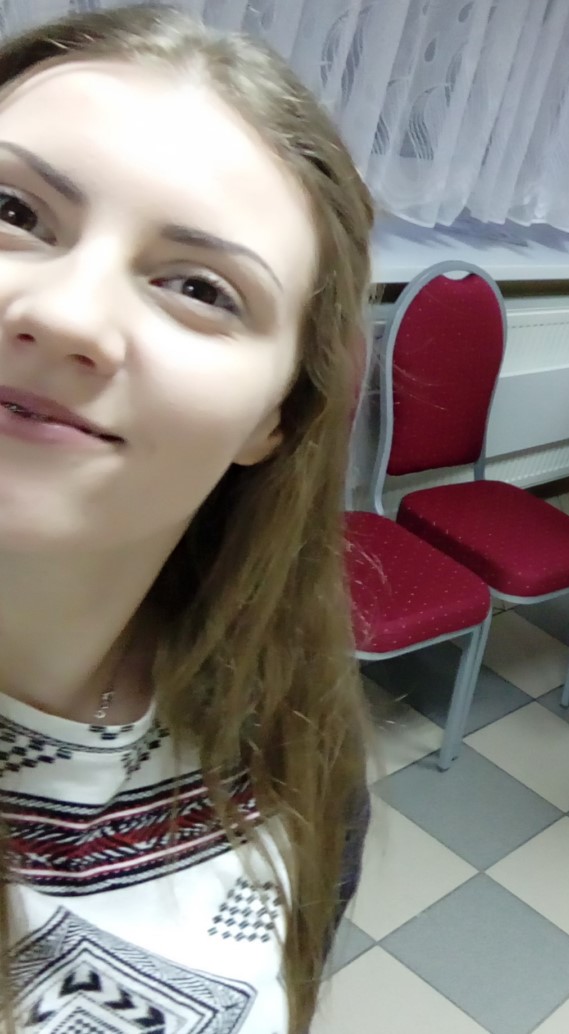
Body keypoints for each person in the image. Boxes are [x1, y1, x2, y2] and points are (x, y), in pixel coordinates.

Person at [0, 6, 374, 1032]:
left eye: (200, 288)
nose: (66, 314)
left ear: (273, 417)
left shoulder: (291, 751)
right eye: (14, 208)